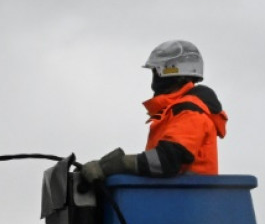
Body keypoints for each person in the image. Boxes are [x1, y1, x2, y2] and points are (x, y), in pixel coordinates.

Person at [80, 40, 228, 183]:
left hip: (188, 202)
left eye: (155, 72)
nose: (154, 81)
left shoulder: (191, 111)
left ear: (171, 71)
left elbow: (166, 161)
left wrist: (121, 164)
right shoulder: (174, 111)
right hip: (175, 199)